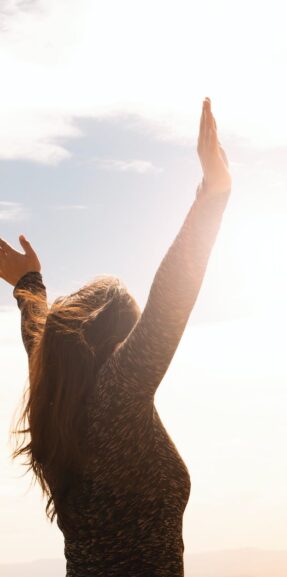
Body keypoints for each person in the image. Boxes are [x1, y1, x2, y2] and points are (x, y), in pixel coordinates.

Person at [2, 97, 231, 576]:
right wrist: (210, 197)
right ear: (118, 342)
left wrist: (30, 287)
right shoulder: (116, 400)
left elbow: (38, 337)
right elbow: (169, 302)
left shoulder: (57, 402)